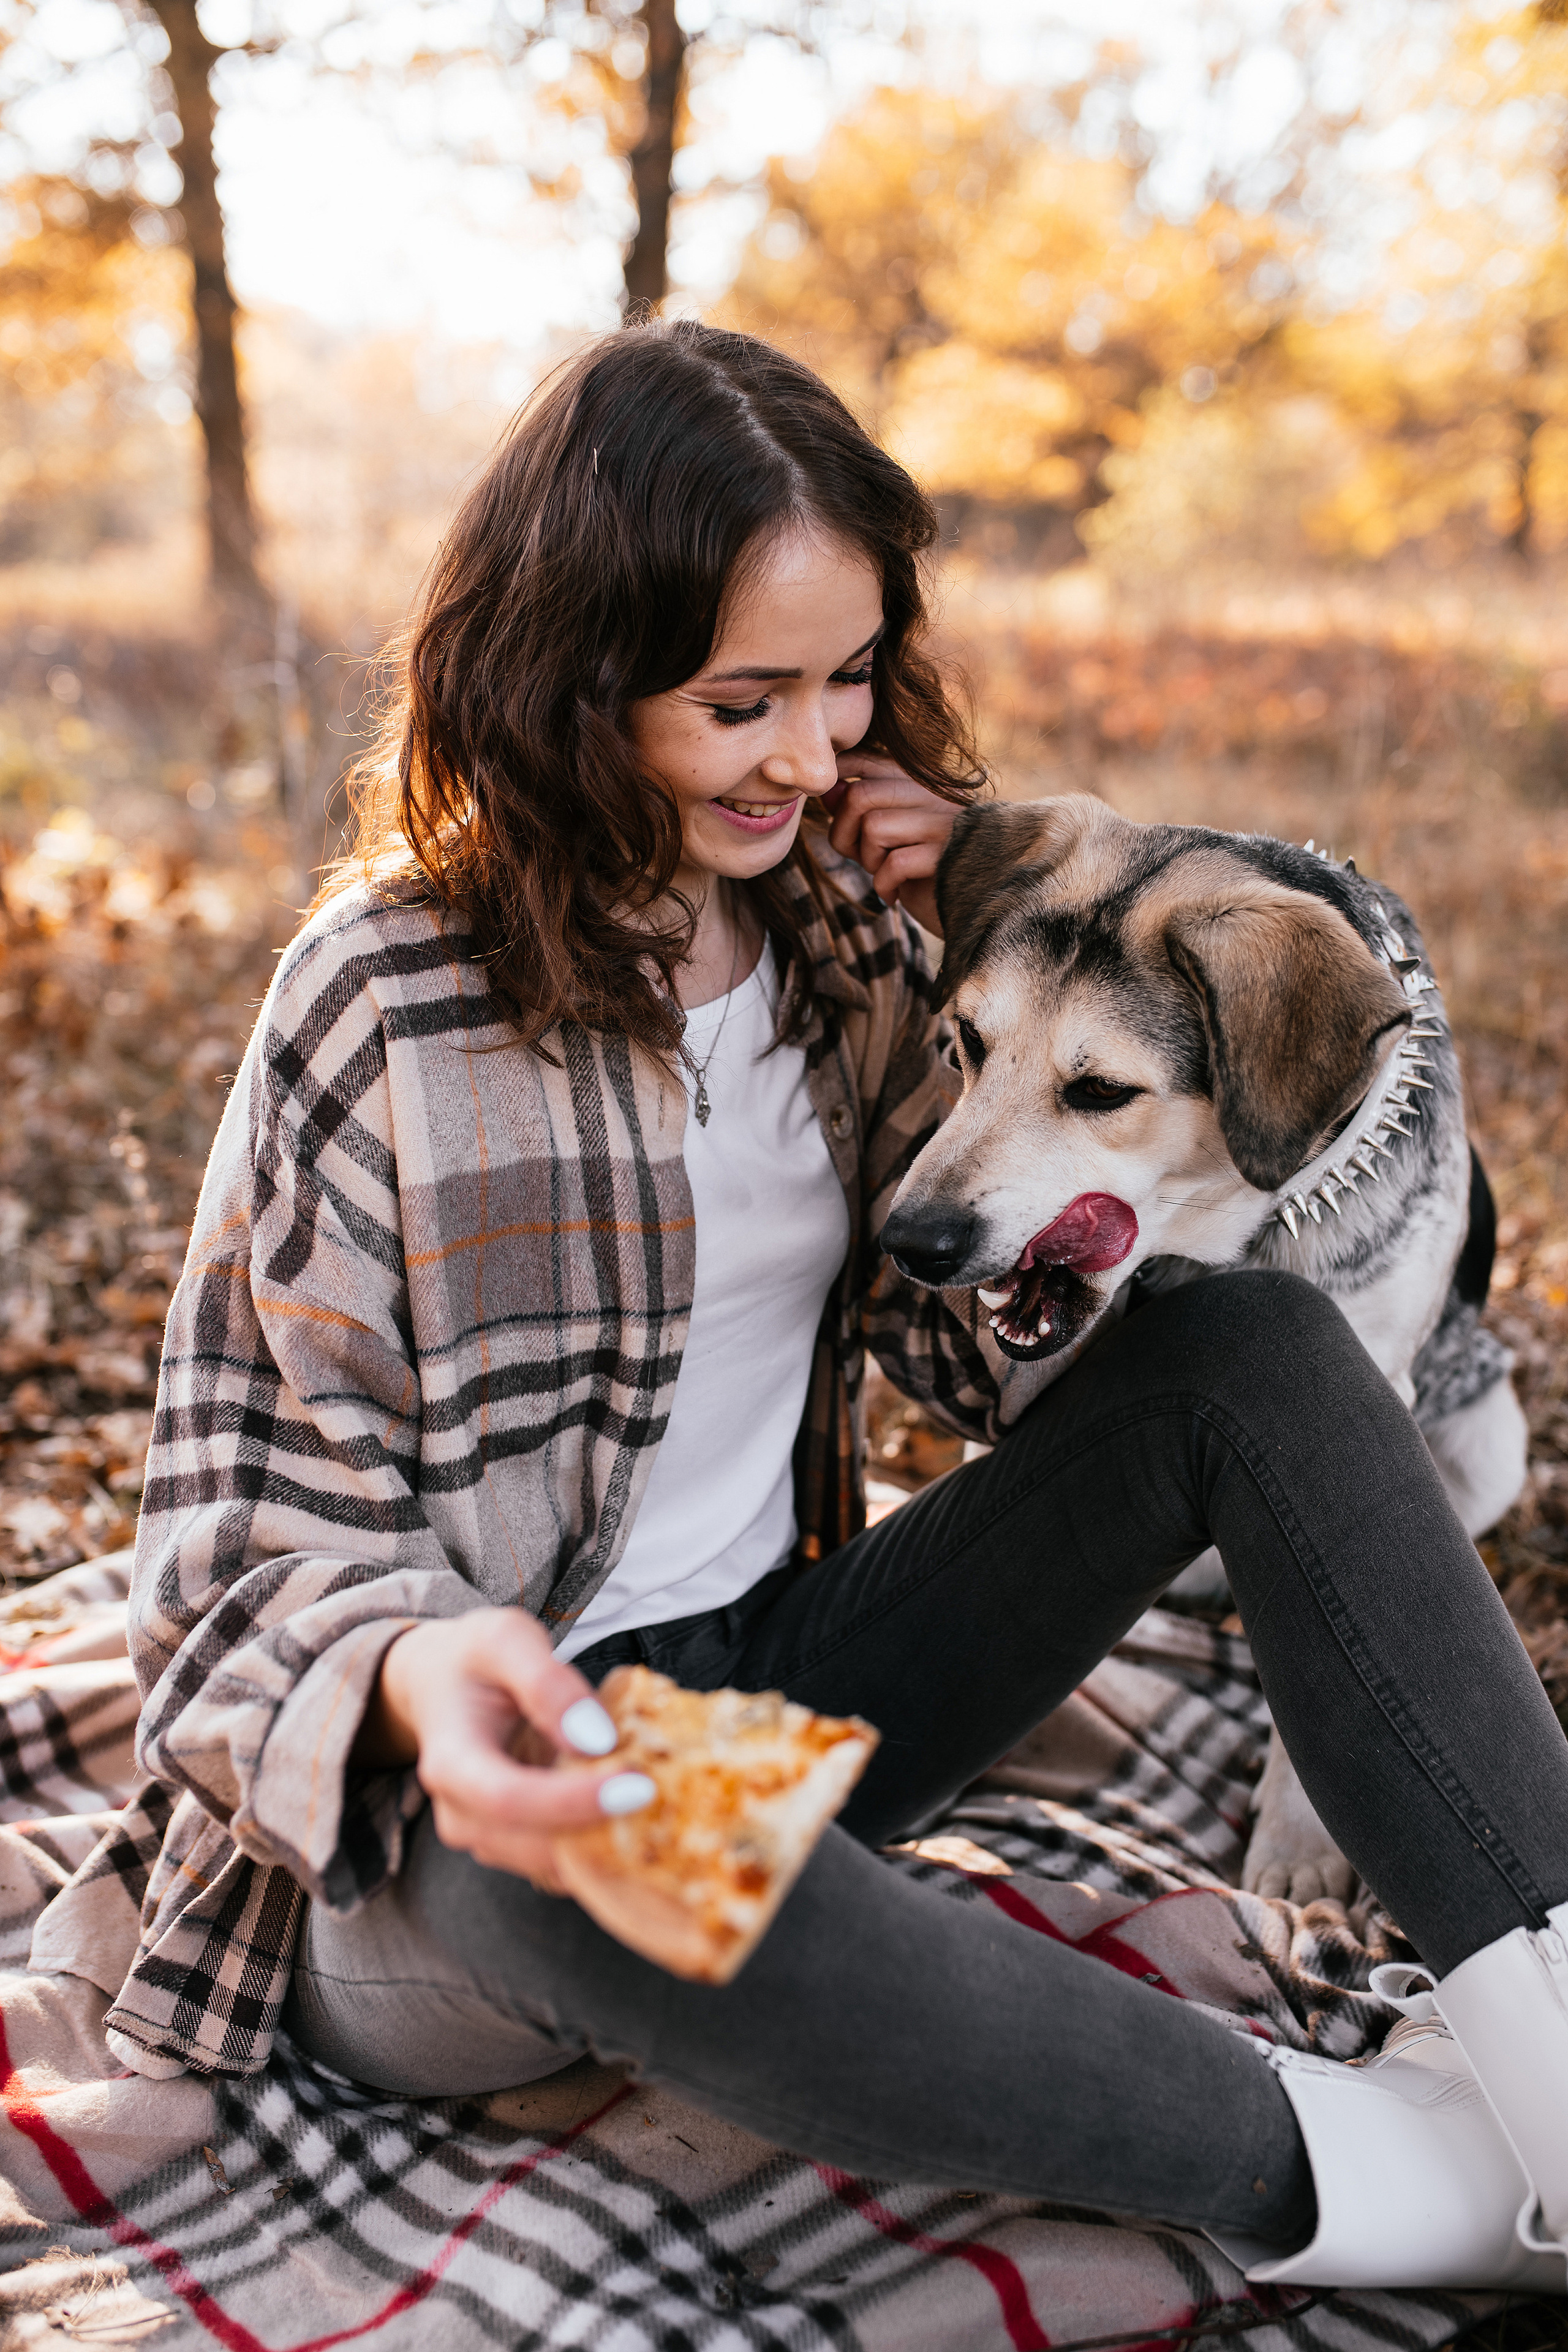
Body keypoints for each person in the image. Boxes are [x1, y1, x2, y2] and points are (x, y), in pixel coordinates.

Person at [113, 320, 1567, 2292]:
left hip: (787, 1684)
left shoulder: (840, 938)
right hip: (475, 1819)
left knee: (1260, 1352)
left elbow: (999, 1374)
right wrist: (418, 1681)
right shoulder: (382, 998)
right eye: (744, 700)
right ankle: (1401, 2194)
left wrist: (969, 927)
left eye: (851, 680)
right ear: (573, 680)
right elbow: (222, 1541)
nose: (813, 752)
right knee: (609, 1870)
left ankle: (1564, 2074)